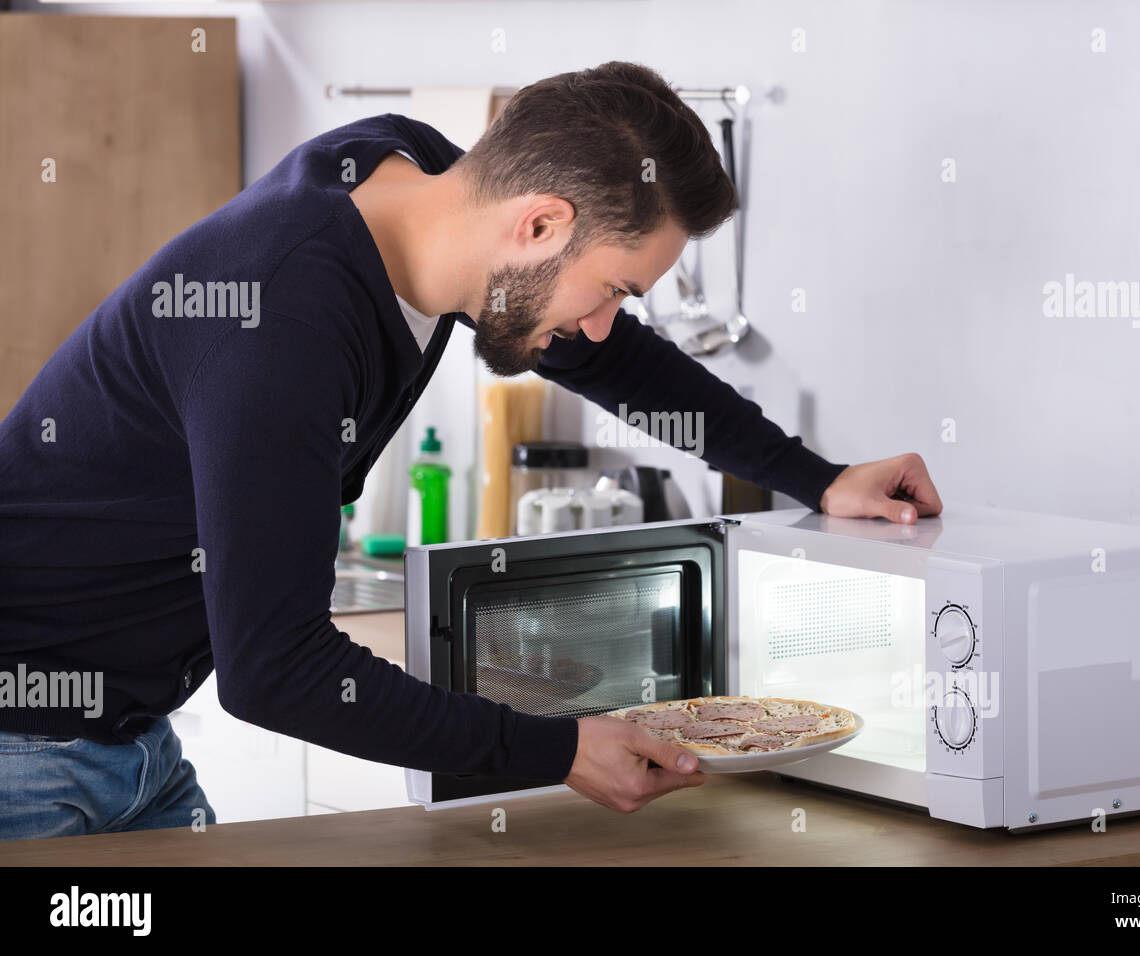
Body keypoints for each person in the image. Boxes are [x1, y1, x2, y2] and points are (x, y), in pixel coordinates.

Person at [0, 61, 941, 839]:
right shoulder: (281, 318)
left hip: (123, 742)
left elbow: (626, 369)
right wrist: (560, 750)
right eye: (613, 288)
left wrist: (821, 478)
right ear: (537, 224)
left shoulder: (420, 187)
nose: (605, 326)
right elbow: (276, 671)